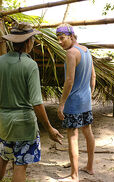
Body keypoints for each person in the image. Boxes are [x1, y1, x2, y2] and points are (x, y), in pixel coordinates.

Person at [0, 22, 63, 182]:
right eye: (32, 38)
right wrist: (49, 128)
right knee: (20, 165)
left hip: (3, 123)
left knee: (2, 158)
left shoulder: (0, 61)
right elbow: (36, 102)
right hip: (24, 126)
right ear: (28, 42)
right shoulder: (30, 65)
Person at [56, 23, 96, 182]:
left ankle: (74, 175)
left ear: (71, 36)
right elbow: (93, 77)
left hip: (73, 102)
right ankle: (90, 167)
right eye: (58, 39)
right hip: (85, 101)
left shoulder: (72, 53)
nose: (60, 42)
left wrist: (61, 103)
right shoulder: (86, 51)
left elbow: (69, 80)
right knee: (88, 132)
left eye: (62, 38)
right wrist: (88, 94)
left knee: (72, 137)